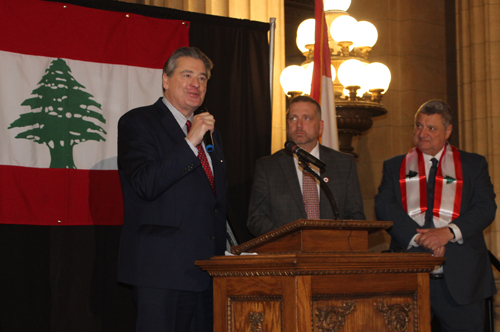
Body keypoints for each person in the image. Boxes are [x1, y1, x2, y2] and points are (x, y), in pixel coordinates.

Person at [117, 47, 227, 332]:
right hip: (161, 272)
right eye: (187, 75)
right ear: (165, 80)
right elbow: (145, 184)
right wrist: (189, 142)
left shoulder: (209, 131)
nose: (196, 84)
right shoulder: (138, 122)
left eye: (202, 78)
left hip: (207, 270)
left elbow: (213, 198)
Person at [375, 99, 496, 331]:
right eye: (419, 126)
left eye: (431, 128)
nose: (422, 133)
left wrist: (447, 233)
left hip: (462, 281)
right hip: (409, 279)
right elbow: (384, 206)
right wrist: (420, 237)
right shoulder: (395, 166)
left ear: (448, 131)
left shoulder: (473, 164)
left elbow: (485, 208)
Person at [247, 95, 365, 237]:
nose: (299, 125)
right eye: (293, 118)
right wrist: (292, 241)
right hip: (288, 253)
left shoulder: (344, 164)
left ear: (320, 127)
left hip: (332, 252)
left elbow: (355, 215)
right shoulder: (268, 167)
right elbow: (257, 219)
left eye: (307, 118)